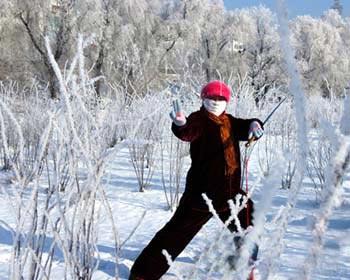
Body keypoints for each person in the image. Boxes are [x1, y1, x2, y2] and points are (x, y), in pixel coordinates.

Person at [129, 80, 264, 280]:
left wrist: (255, 124)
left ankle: (243, 262)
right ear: (203, 99)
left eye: (220, 98)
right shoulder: (199, 119)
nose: (216, 101)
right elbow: (187, 132)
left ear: (227, 101)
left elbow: (247, 126)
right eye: (211, 98)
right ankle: (142, 274)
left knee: (250, 221)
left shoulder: (230, 121)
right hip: (201, 197)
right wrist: (180, 124)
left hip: (231, 194)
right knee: (175, 235)